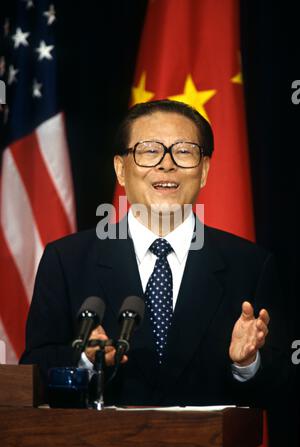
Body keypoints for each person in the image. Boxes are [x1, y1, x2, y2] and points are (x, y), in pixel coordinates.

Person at [20, 99, 288, 407]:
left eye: (184, 151)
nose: (166, 163)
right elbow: (34, 369)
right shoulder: (67, 260)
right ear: (121, 169)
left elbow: (280, 390)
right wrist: (84, 357)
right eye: (149, 150)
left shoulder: (251, 265)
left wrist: (246, 364)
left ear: (204, 171)